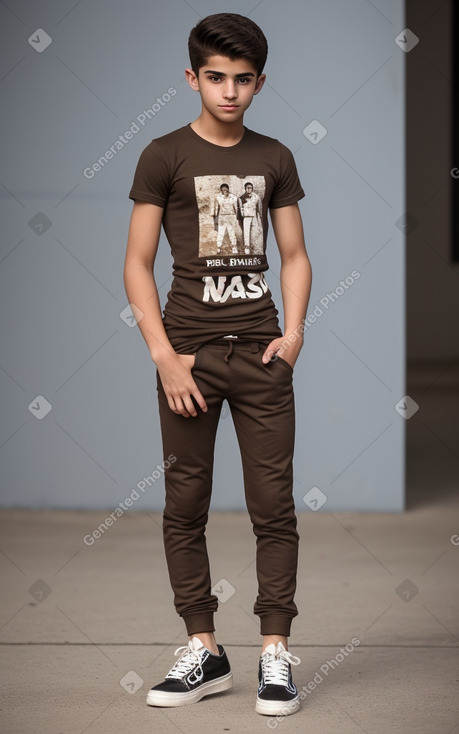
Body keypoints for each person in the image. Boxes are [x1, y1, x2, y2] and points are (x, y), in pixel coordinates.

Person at [123, 12, 312, 717]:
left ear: (259, 82)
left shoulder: (275, 157)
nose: (229, 92)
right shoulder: (163, 155)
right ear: (191, 77)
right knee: (184, 508)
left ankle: (273, 654)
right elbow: (136, 265)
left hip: (260, 358)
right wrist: (165, 357)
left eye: (242, 81)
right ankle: (203, 649)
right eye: (215, 78)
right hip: (189, 362)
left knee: (273, 507)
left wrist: (292, 337)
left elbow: (293, 254)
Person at [213, 183, 239, 254]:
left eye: (225, 188)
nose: (224, 190)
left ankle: (234, 247)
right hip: (222, 218)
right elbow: (219, 204)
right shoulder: (218, 197)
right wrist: (225, 197)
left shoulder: (233, 197)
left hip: (230, 217)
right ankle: (219, 247)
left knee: (232, 233)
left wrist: (236, 217)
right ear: (221, 189)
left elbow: (235, 205)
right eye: (223, 188)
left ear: (228, 189)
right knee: (220, 233)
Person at [239, 181, 262, 254]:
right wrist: (243, 215)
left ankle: (255, 248)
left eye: (250, 188)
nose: (249, 189)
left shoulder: (256, 197)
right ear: (245, 189)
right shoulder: (242, 198)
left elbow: (259, 207)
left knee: (254, 233)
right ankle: (247, 249)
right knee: (246, 233)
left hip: (254, 216)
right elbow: (240, 208)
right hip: (246, 217)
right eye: (247, 188)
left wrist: (260, 217)